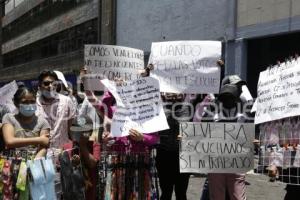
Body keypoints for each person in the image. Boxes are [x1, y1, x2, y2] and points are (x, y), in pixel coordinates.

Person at [204, 75, 249, 200]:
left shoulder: (245, 109)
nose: (240, 89)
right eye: (237, 86)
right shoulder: (211, 109)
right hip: (216, 163)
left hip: (236, 162)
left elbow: (248, 132)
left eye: (240, 87)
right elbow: (201, 133)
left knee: (238, 197)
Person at [156, 92, 191, 200]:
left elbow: (196, 129)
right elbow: (155, 130)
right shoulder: (158, 107)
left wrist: (186, 135)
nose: (174, 95)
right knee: (166, 192)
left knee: (181, 193)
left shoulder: (189, 107)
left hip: (183, 156)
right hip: (164, 155)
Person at [2, 87, 50, 158]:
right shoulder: (9, 118)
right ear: (16, 103)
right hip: (12, 163)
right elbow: (9, 141)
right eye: (25, 102)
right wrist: (39, 139)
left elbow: (44, 146)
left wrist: (35, 163)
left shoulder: (43, 122)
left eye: (32, 101)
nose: (29, 105)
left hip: (34, 163)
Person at [62, 115, 100, 200]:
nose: (81, 134)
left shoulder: (95, 145)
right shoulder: (66, 147)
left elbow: (92, 163)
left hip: (89, 193)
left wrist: (82, 145)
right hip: (71, 193)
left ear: (90, 132)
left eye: (85, 131)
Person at [36, 70, 76, 149]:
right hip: (41, 152)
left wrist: (74, 145)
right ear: (40, 86)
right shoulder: (34, 105)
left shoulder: (66, 101)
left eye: (53, 83)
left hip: (63, 151)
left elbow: (71, 127)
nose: (50, 86)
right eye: (46, 83)